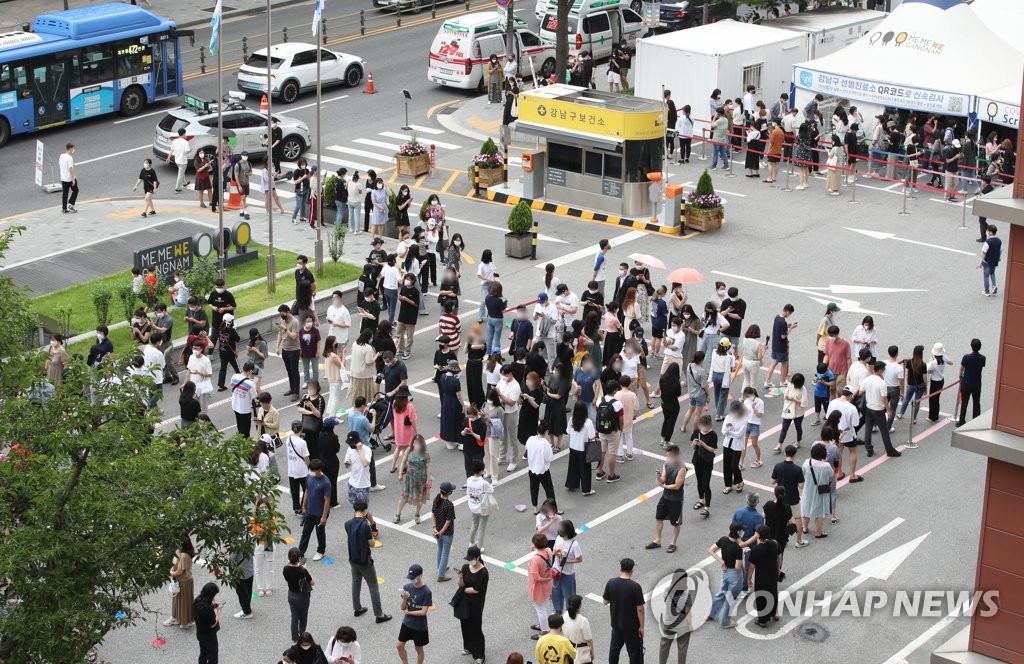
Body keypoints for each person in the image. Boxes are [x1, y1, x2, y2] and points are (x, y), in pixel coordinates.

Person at [345, 500, 392, 624]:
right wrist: (371, 526)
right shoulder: (365, 525)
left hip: (352, 558)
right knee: (373, 585)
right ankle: (379, 614)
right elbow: (372, 543)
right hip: (364, 560)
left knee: (356, 582)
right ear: (365, 511)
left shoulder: (348, 524)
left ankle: (357, 608)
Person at [603, 558, 645, 664]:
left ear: (620, 568)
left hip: (616, 624)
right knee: (634, 653)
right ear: (632, 570)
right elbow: (640, 609)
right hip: (632, 627)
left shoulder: (611, 583)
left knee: (614, 650)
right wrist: (642, 626)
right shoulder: (635, 587)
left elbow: (605, 601)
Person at [646, 444, 686, 553]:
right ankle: (658, 540)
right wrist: (659, 477)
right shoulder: (666, 464)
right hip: (665, 496)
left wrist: (663, 486)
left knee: (675, 523)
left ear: (676, 455)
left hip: (676, 499)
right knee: (659, 517)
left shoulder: (682, 468)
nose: (668, 458)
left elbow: (677, 486)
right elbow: (663, 478)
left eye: (670, 456)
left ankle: (673, 543)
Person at [706, 522, 744, 628]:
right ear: (738, 532)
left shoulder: (723, 539)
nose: (742, 532)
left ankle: (711, 614)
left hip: (725, 571)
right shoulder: (737, 549)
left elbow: (711, 550)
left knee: (721, 593)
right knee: (730, 598)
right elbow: (738, 566)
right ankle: (725, 621)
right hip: (734, 575)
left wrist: (721, 561)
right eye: (741, 530)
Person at [861, 362, 901, 458]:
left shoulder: (866, 380)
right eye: (883, 370)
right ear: (880, 370)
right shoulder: (882, 383)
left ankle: (869, 449)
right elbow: (884, 398)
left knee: (868, 429)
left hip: (869, 408)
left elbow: (860, 391)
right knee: (884, 431)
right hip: (878, 410)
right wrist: (888, 410)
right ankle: (890, 450)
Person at [397, 564, 432, 664]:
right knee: (399, 646)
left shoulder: (426, 592)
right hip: (407, 623)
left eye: (413, 578)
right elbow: (403, 607)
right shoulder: (407, 587)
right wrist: (404, 599)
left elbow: (423, 612)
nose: (411, 580)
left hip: (419, 626)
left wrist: (409, 612)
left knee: (418, 649)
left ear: (420, 576)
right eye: (410, 578)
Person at [747, 524, 780, 627]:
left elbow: (752, 566)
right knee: (773, 593)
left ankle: (763, 620)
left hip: (761, 577)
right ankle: (774, 613)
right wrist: (778, 568)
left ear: (758, 535)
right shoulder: (774, 544)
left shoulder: (755, 550)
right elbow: (779, 556)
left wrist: (749, 578)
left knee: (761, 597)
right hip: (772, 574)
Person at [298, 458, 331, 562]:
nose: (311, 472)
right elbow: (306, 491)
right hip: (309, 511)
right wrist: (303, 506)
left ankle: (321, 551)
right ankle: (300, 553)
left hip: (320, 513)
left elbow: (327, 501)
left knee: (320, 532)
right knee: (305, 533)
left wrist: (324, 517)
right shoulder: (309, 477)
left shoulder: (326, 482)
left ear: (319, 470)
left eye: (313, 470)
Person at [801, 443, 835, 539]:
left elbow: (803, 472)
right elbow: (831, 475)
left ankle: (805, 528)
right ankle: (818, 532)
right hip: (821, 491)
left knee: (806, 509)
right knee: (820, 512)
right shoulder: (826, 465)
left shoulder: (807, 462)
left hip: (808, 490)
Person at [164, 531, 195, 628]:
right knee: (177, 600)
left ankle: (184, 622)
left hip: (184, 581)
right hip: (179, 580)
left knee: (183, 601)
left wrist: (171, 573)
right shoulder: (179, 551)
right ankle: (177, 618)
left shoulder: (184, 555)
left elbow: (180, 571)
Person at [763, 485, 794, 582]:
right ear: (784, 495)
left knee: (768, 554)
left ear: (774, 493)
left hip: (768, 535)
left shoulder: (768, 504)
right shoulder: (787, 507)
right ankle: (777, 572)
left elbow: (763, 516)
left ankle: (768, 572)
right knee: (779, 555)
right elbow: (791, 522)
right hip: (781, 536)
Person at [396, 434, 429, 523]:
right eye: (415, 442)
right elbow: (403, 462)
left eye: (418, 442)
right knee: (403, 497)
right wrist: (400, 474)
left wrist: (429, 480)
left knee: (420, 498)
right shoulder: (408, 451)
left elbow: (428, 468)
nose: (416, 444)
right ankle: (397, 514)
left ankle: (417, 514)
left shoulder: (425, 454)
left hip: (421, 480)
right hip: (409, 479)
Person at [527, 532, 555, 636]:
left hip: (538, 587)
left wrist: (545, 579)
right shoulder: (548, 551)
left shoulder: (535, 559)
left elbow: (536, 577)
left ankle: (544, 630)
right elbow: (545, 548)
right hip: (547, 584)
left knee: (540, 609)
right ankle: (547, 624)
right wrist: (548, 579)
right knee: (546, 605)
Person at [721, 400, 748, 493]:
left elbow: (739, 435)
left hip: (737, 445)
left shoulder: (744, 419)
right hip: (727, 443)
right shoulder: (728, 417)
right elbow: (723, 432)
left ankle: (740, 481)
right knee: (726, 465)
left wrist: (729, 431)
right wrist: (728, 429)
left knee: (734, 465)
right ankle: (728, 485)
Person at [958, 339, 986, 427]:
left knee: (964, 403)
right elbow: (981, 366)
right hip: (976, 384)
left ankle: (961, 421)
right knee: (976, 403)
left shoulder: (966, 357)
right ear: (980, 347)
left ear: (971, 346)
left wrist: (960, 376)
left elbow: (961, 368)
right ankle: (976, 422)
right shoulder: (983, 358)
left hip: (966, 383)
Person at [284, 420, 311, 515]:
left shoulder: (288, 439)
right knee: (306, 489)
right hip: (302, 470)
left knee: (294, 490)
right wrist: (309, 466)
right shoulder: (302, 442)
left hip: (291, 469)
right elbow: (306, 457)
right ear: (301, 429)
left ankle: (296, 508)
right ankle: (304, 506)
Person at [776, 373, 807, 451]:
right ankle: (779, 444)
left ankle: (798, 441)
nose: (794, 386)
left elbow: (804, 403)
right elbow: (785, 394)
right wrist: (787, 397)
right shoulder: (790, 385)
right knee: (784, 428)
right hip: (789, 411)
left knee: (798, 427)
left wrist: (793, 399)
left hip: (798, 413)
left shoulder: (803, 389)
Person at [277, 305, 302, 401]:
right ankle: (292, 388)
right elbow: (280, 334)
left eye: (282, 313)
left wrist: (286, 329)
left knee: (294, 371)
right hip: (285, 350)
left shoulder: (295, 322)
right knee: (289, 370)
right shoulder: (282, 321)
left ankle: (296, 392)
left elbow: (294, 337)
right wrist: (277, 347)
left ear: (287, 312)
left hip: (294, 350)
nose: (281, 316)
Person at [193, 582, 221, 664]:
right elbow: (213, 624)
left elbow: (203, 611)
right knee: (213, 655)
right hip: (209, 635)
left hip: (200, 633)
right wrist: (219, 611)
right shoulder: (207, 609)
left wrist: (213, 606)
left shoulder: (197, 601)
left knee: (203, 653)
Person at [927, 343, 954, 423]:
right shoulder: (944, 358)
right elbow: (951, 362)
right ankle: (936, 415)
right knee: (937, 398)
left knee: (932, 399)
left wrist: (930, 361)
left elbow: (928, 371)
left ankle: (932, 417)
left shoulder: (933, 362)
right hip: (941, 380)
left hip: (934, 381)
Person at [229, 362, 257, 438]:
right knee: (246, 430)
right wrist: (252, 379)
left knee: (239, 426)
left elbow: (232, 387)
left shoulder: (234, 376)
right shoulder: (250, 383)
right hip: (244, 409)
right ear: (251, 371)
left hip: (235, 406)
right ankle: (245, 445)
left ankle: (240, 441)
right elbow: (254, 396)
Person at [167, 127, 192, 193]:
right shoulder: (185, 142)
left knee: (181, 172)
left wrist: (168, 158)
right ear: (184, 134)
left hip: (177, 160)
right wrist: (190, 150)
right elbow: (186, 151)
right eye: (185, 133)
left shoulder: (175, 141)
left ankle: (185, 182)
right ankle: (177, 188)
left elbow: (171, 150)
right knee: (180, 174)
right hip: (183, 161)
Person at [981, 224, 1002, 297]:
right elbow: (1000, 250)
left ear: (991, 232)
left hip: (987, 261)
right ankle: (994, 286)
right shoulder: (999, 241)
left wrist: (982, 261)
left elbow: (984, 252)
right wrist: (998, 257)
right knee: (992, 273)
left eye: (988, 231)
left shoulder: (988, 242)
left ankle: (987, 291)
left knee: (986, 275)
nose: (987, 232)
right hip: (995, 261)